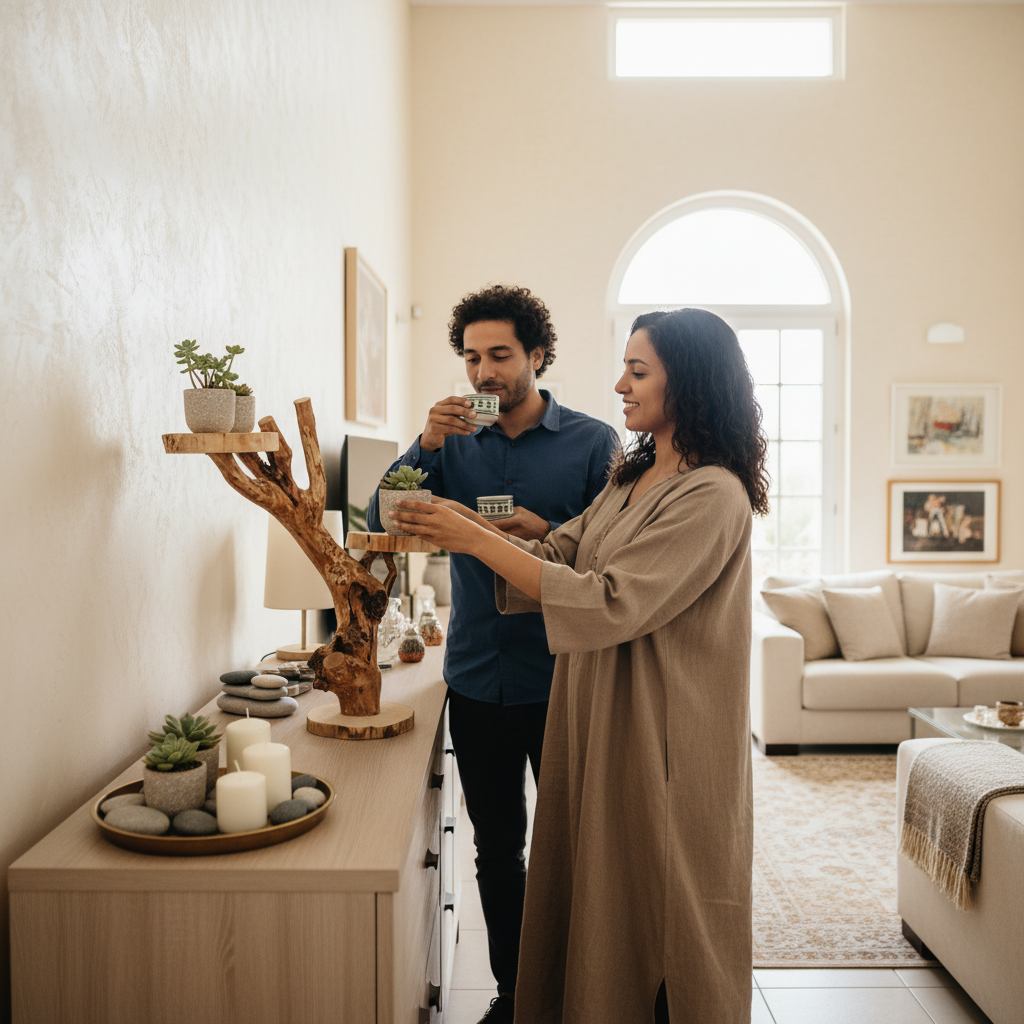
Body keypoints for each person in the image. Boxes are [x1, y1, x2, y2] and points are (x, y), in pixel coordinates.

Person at [388, 307, 769, 1024]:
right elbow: (564, 553)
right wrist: (475, 530)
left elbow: (612, 599)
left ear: (688, 382)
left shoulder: (713, 494)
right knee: (593, 882)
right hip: (597, 703)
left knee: (661, 899)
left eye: (638, 369)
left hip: (665, 729)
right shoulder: (633, 475)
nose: (619, 384)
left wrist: (470, 536)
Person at [367, 284, 619, 1024]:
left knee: (573, 849)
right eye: (472, 357)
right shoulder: (451, 445)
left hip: (565, 676)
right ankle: (515, 998)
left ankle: (580, 991)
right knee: (496, 850)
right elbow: (389, 514)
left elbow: (611, 553)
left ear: (537, 355)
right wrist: (425, 445)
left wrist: (548, 531)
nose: (484, 372)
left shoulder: (594, 441)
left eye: (500, 355)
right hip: (477, 675)